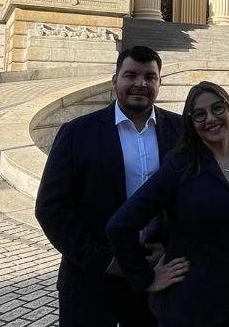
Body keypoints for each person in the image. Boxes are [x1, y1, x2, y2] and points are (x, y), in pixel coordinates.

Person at [106, 81, 229, 327]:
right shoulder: (179, 166)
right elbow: (120, 225)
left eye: (217, 108)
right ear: (191, 123)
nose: (210, 118)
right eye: (199, 114)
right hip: (190, 308)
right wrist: (146, 278)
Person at [35, 46, 182, 326]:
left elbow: (191, 201)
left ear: (160, 82)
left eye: (150, 77)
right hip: (90, 281)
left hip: (156, 278)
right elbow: (51, 209)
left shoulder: (181, 132)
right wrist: (107, 261)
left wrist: (168, 246)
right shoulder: (77, 133)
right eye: (131, 75)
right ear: (114, 80)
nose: (141, 83)